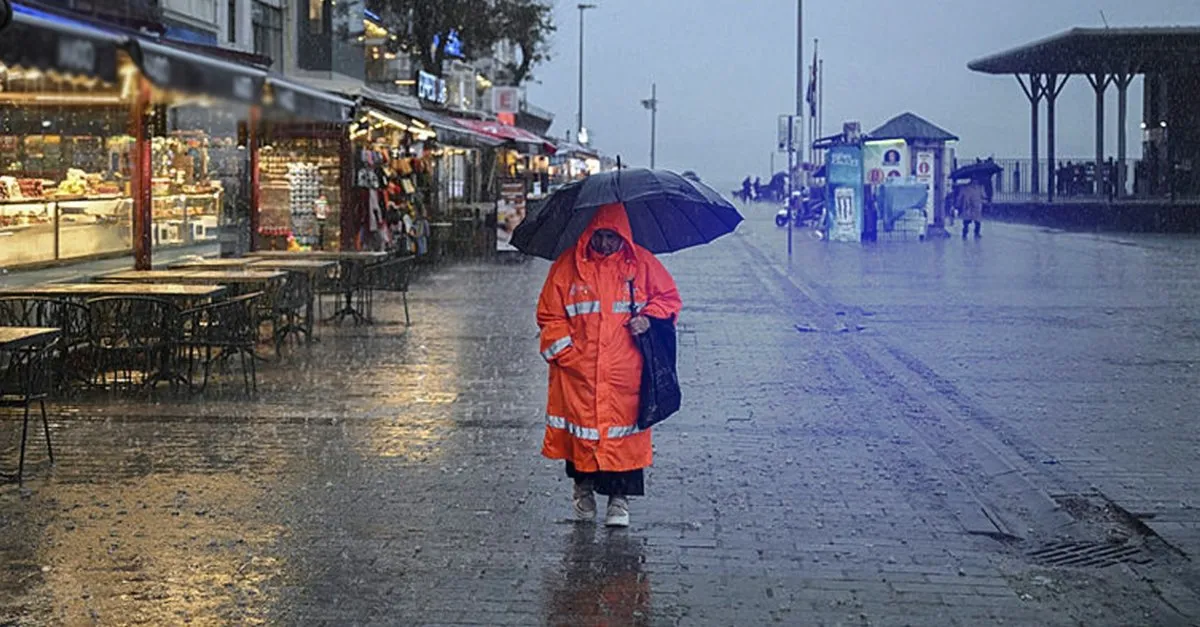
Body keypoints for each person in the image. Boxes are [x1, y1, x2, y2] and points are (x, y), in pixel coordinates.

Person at [536, 203, 682, 528]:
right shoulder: (567, 267)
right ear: (590, 233)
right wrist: (570, 356)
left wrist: (648, 319)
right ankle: (583, 491)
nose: (605, 244)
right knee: (581, 438)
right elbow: (549, 314)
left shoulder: (641, 264)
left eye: (612, 237)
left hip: (624, 374)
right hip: (578, 375)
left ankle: (620, 500)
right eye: (600, 236)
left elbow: (668, 298)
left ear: (623, 237)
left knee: (624, 441)